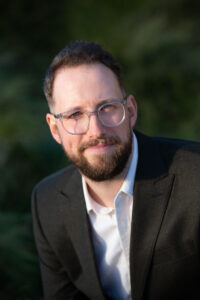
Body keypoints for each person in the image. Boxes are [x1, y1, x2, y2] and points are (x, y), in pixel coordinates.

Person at [32, 41, 200, 300]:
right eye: (76, 114)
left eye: (107, 108)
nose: (96, 130)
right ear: (55, 129)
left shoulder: (195, 176)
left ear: (130, 111)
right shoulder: (47, 203)